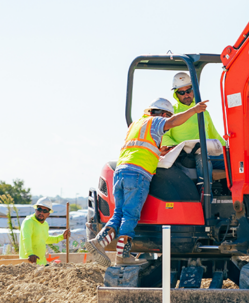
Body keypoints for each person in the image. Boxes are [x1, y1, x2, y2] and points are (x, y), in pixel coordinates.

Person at [89, 96, 209, 265]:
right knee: (131, 215)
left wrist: (160, 150)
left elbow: (141, 147)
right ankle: (123, 255)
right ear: (163, 114)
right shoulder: (156, 121)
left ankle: (98, 242)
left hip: (122, 170)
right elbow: (173, 122)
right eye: (166, 117)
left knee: (119, 213)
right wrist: (194, 110)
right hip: (137, 173)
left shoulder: (137, 124)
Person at [162, 72, 226, 148]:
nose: (186, 95)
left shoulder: (203, 111)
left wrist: (227, 148)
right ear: (176, 94)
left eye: (188, 91)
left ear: (193, 90)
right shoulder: (171, 112)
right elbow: (164, 137)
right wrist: (179, 150)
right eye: (182, 92)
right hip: (183, 157)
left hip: (205, 154)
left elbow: (214, 134)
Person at [19, 197, 70, 265]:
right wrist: (30, 254)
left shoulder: (45, 225)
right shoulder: (28, 222)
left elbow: (45, 239)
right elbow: (26, 238)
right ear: (35, 209)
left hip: (42, 262)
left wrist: (62, 237)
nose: (41, 212)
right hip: (28, 262)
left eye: (45, 211)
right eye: (39, 209)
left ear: (48, 214)